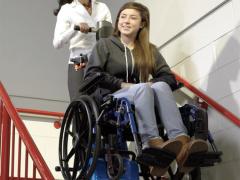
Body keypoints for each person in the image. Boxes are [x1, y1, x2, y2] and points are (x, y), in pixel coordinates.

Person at [81, 2, 208, 177]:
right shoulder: (105, 45)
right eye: (123, 17)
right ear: (117, 21)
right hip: (111, 99)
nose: (126, 21)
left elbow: (168, 77)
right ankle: (152, 144)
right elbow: (92, 75)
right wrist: (122, 85)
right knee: (143, 89)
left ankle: (181, 143)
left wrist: (152, 83)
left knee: (161, 85)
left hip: (140, 94)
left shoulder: (149, 50)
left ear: (142, 24)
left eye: (132, 18)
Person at [53, 0, 112, 101]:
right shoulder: (67, 9)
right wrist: (74, 29)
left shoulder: (102, 7)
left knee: (103, 99)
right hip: (80, 59)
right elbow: (57, 43)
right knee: (78, 99)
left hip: (100, 59)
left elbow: (109, 35)